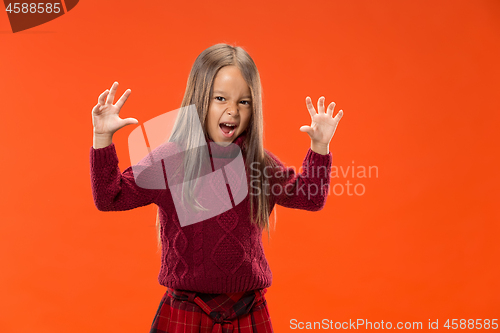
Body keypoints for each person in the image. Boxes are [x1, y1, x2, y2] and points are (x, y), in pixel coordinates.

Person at [90, 43, 344, 333]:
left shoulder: (258, 164)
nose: (232, 111)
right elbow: (110, 196)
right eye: (220, 98)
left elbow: (309, 197)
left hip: (248, 311)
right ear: (199, 99)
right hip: (186, 312)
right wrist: (102, 138)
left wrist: (320, 146)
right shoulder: (170, 160)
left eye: (244, 102)